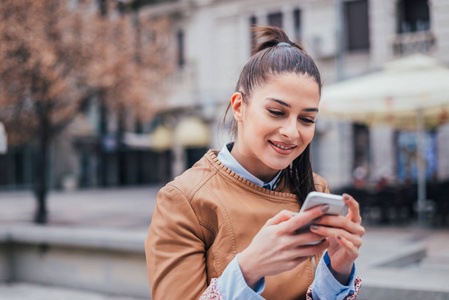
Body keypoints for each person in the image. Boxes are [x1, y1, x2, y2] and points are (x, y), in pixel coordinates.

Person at [145, 26, 364, 300]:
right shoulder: (183, 199)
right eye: (276, 112)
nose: (292, 132)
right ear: (239, 107)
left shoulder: (315, 188)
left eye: (307, 119)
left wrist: (338, 271)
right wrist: (249, 268)